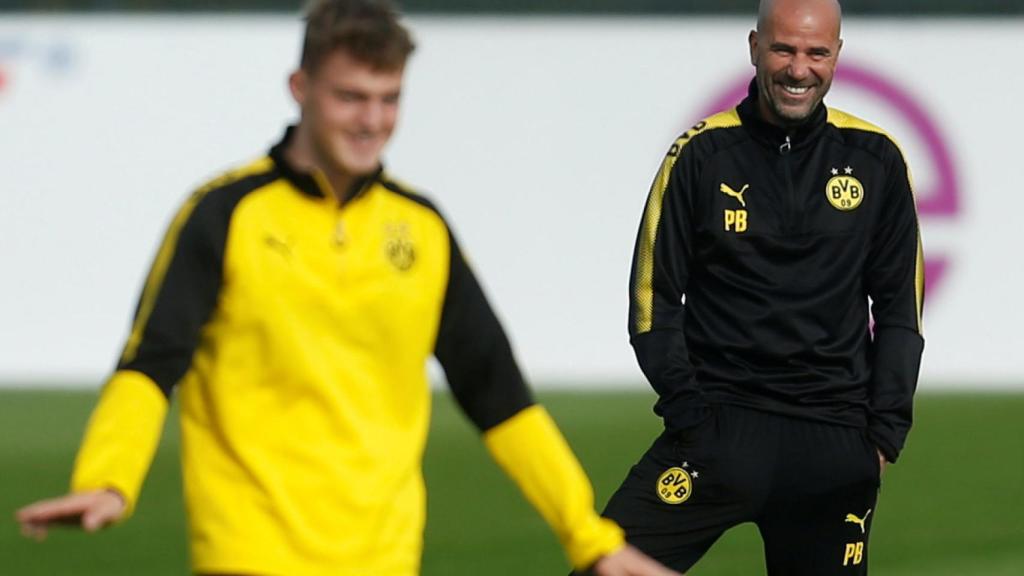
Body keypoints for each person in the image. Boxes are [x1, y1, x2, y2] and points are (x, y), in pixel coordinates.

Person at [15, 2, 680, 576]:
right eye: (350, 96)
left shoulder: (422, 229)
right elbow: (150, 364)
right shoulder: (224, 215)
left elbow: (499, 395)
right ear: (300, 87)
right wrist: (108, 479)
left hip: (386, 558)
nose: (372, 119)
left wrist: (588, 538)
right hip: (250, 554)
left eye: (389, 98)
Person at [592, 0, 925, 574]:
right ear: (754, 47)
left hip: (834, 446)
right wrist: (691, 417)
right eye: (784, 49)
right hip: (718, 434)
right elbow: (653, 302)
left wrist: (883, 437)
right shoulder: (698, 154)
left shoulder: (877, 159)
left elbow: (900, 311)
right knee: (601, 563)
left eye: (817, 52)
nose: (800, 68)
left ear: (837, 56)